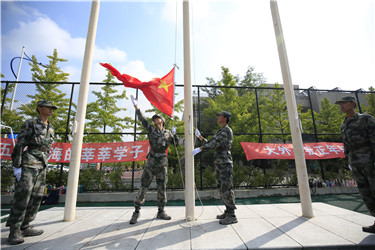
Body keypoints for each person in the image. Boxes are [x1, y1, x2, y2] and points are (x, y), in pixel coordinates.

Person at [6, 100, 57, 245]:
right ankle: (14, 230)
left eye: (52, 108)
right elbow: (20, 143)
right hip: (29, 162)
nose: (51, 110)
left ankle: (26, 226)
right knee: (23, 195)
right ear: (39, 108)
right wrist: (17, 165)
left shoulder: (51, 127)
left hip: (42, 163)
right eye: (48, 107)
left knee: (37, 196)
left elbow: (47, 147)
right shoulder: (31, 123)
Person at [129, 95, 179, 224]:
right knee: (144, 185)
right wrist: (136, 107)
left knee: (162, 186)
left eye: (157, 118)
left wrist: (175, 134)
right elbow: (143, 120)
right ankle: (136, 211)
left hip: (162, 161)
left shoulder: (167, 133)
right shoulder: (151, 130)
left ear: (162, 120)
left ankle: (161, 211)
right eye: (154, 119)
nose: (155, 120)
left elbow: (176, 144)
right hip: (151, 160)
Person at [336, 96, 375, 233]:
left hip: (369, 160)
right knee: (365, 192)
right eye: (340, 104)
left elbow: (374, 139)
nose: (341, 105)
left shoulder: (366, 119)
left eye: (343, 103)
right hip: (356, 162)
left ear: (353, 103)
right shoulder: (344, 124)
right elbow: (346, 145)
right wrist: (349, 161)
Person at [193, 111, 237, 225]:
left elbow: (215, 144)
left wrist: (200, 149)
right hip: (219, 162)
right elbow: (211, 142)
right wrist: (200, 137)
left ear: (225, 118)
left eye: (220, 116)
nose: (218, 117)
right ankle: (227, 211)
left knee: (226, 187)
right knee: (221, 187)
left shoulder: (227, 130)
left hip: (225, 162)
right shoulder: (220, 131)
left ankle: (232, 215)